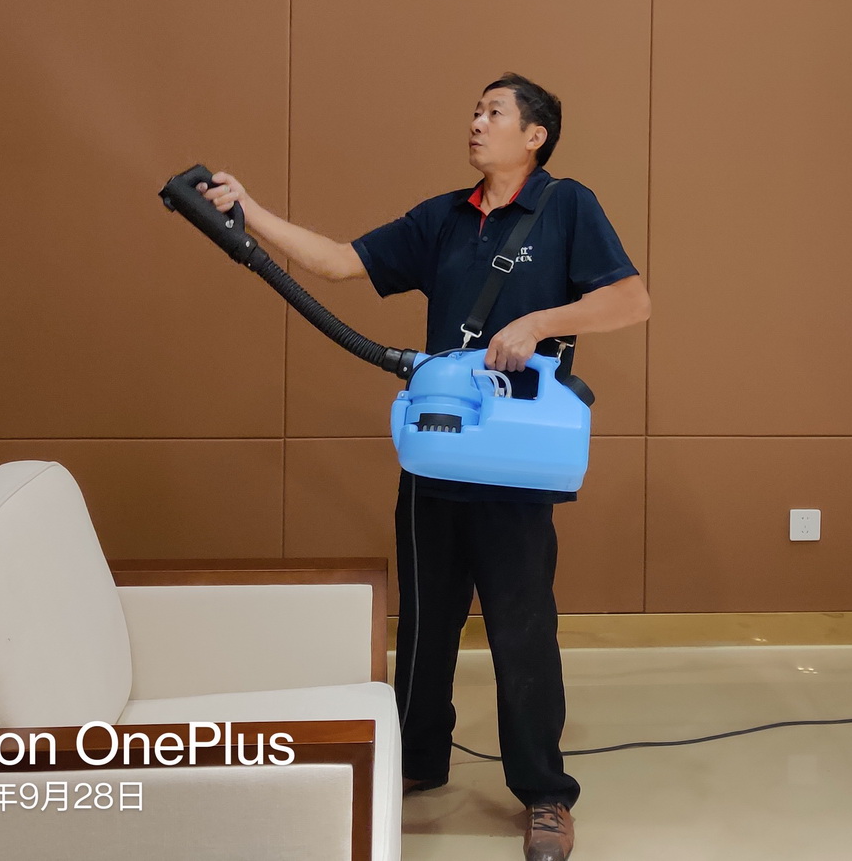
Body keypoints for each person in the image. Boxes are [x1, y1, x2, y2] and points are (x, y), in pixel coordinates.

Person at [202, 73, 649, 861]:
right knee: (426, 621)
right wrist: (251, 211)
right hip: (439, 448)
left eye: (494, 112)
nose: (476, 121)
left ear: (535, 135)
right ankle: (416, 763)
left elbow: (631, 301)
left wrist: (538, 321)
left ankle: (545, 793)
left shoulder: (567, 207)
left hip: (515, 458)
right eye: (474, 110)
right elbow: (339, 263)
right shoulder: (443, 218)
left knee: (521, 628)